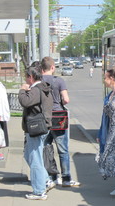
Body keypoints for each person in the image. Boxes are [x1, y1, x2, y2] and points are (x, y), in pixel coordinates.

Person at [41, 56, 81, 187]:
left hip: (43, 118)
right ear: (53, 67)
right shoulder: (59, 81)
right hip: (58, 116)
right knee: (63, 150)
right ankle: (66, 178)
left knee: (46, 148)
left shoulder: (38, 81)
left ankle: (51, 177)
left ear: (42, 68)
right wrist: (60, 102)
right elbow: (66, 99)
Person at [18, 66, 53, 200]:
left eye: (26, 77)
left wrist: (22, 90)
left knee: (35, 159)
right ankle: (45, 180)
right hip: (42, 126)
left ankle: (39, 191)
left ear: (31, 77)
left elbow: (25, 101)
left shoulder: (36, 89)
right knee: (29, 155)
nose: (26, 79)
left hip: (36, 128)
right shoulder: (44, 87)